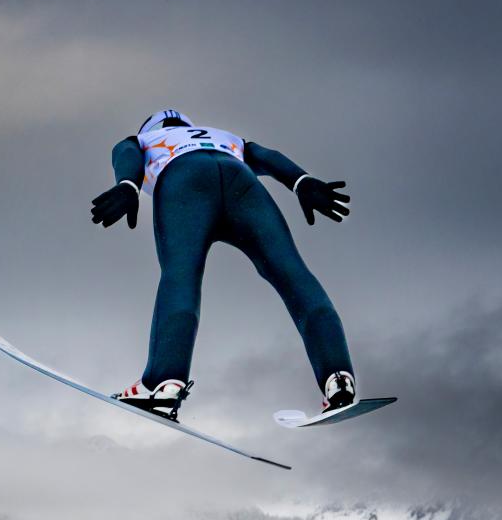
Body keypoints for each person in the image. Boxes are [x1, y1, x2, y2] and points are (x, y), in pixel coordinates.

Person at [90, 109, 356, 422]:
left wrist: (127, 185)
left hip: (184, 180)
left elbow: (126, 153)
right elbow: (267, 156)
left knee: (181, 277)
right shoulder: (224, 137)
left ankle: (163, 383)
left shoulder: (144, 138)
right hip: (240, 180)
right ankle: (338, 378)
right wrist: (301, 181)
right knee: (292, 274)